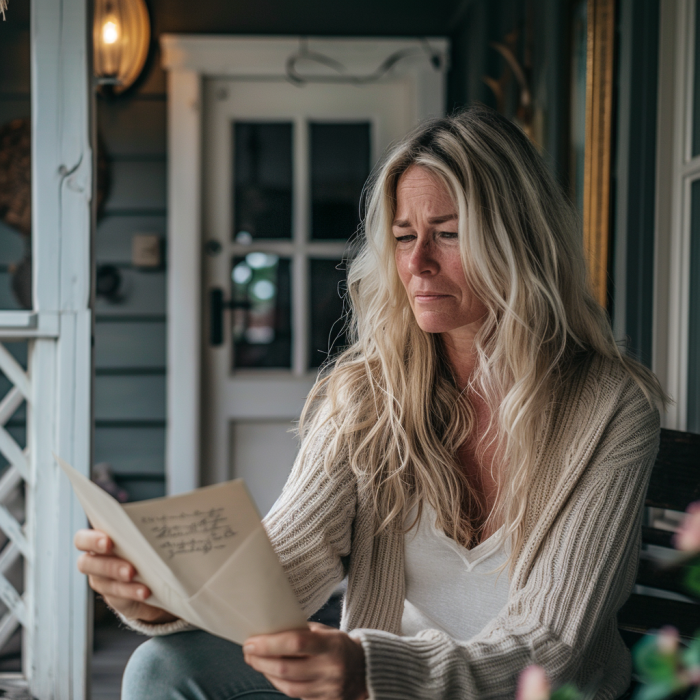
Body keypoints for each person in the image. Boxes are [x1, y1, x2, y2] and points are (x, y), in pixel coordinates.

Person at [74, 104, 665, 700]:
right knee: (159, 668)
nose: (416, 263)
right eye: (405, 237)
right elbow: (285, 568)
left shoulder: (611, 409)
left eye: (449, 233)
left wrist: (372, 671)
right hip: (378, 684)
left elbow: (552, 645)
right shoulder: (367, 394)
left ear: (519, 240)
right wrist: (156, 593)